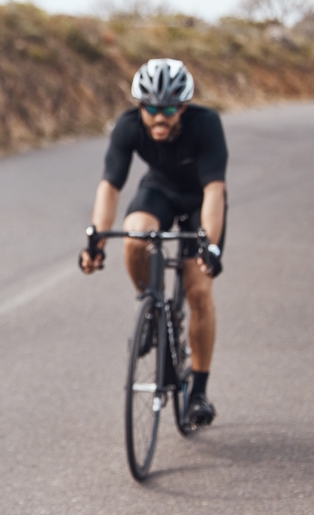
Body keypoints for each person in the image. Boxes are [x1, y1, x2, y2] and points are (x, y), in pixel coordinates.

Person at [79, 58, 227, 427]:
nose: (160, 117)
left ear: (185, 106)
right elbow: (110, 186)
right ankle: (152, 306)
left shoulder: (206, 125)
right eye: (152, 108)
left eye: (170, 108)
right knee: (135, 237)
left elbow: (214, 191)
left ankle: (199, 394)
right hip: (159, 191)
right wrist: (96, 239)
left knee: (198, 293)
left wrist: (212, 245)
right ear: (140, 105)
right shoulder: (129, 127)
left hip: (198, 202)